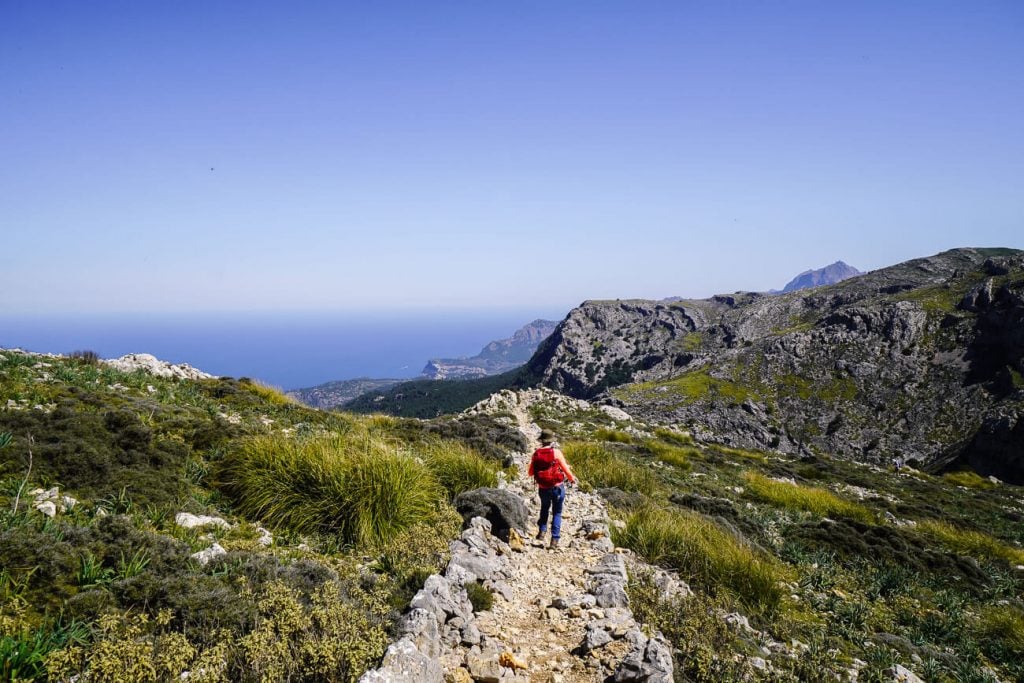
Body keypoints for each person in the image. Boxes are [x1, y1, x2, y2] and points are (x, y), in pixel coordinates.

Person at [527, 429, 577, 549]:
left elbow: (530, 473)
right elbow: (565, 469)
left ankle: (542, 532)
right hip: (557, 487)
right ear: (551, 441)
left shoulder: (536, 454)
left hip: (543, 488)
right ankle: (554, 540)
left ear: (542, 441)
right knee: (557, 512)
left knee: (544, 508)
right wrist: (571, 479)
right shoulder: (556, 453)